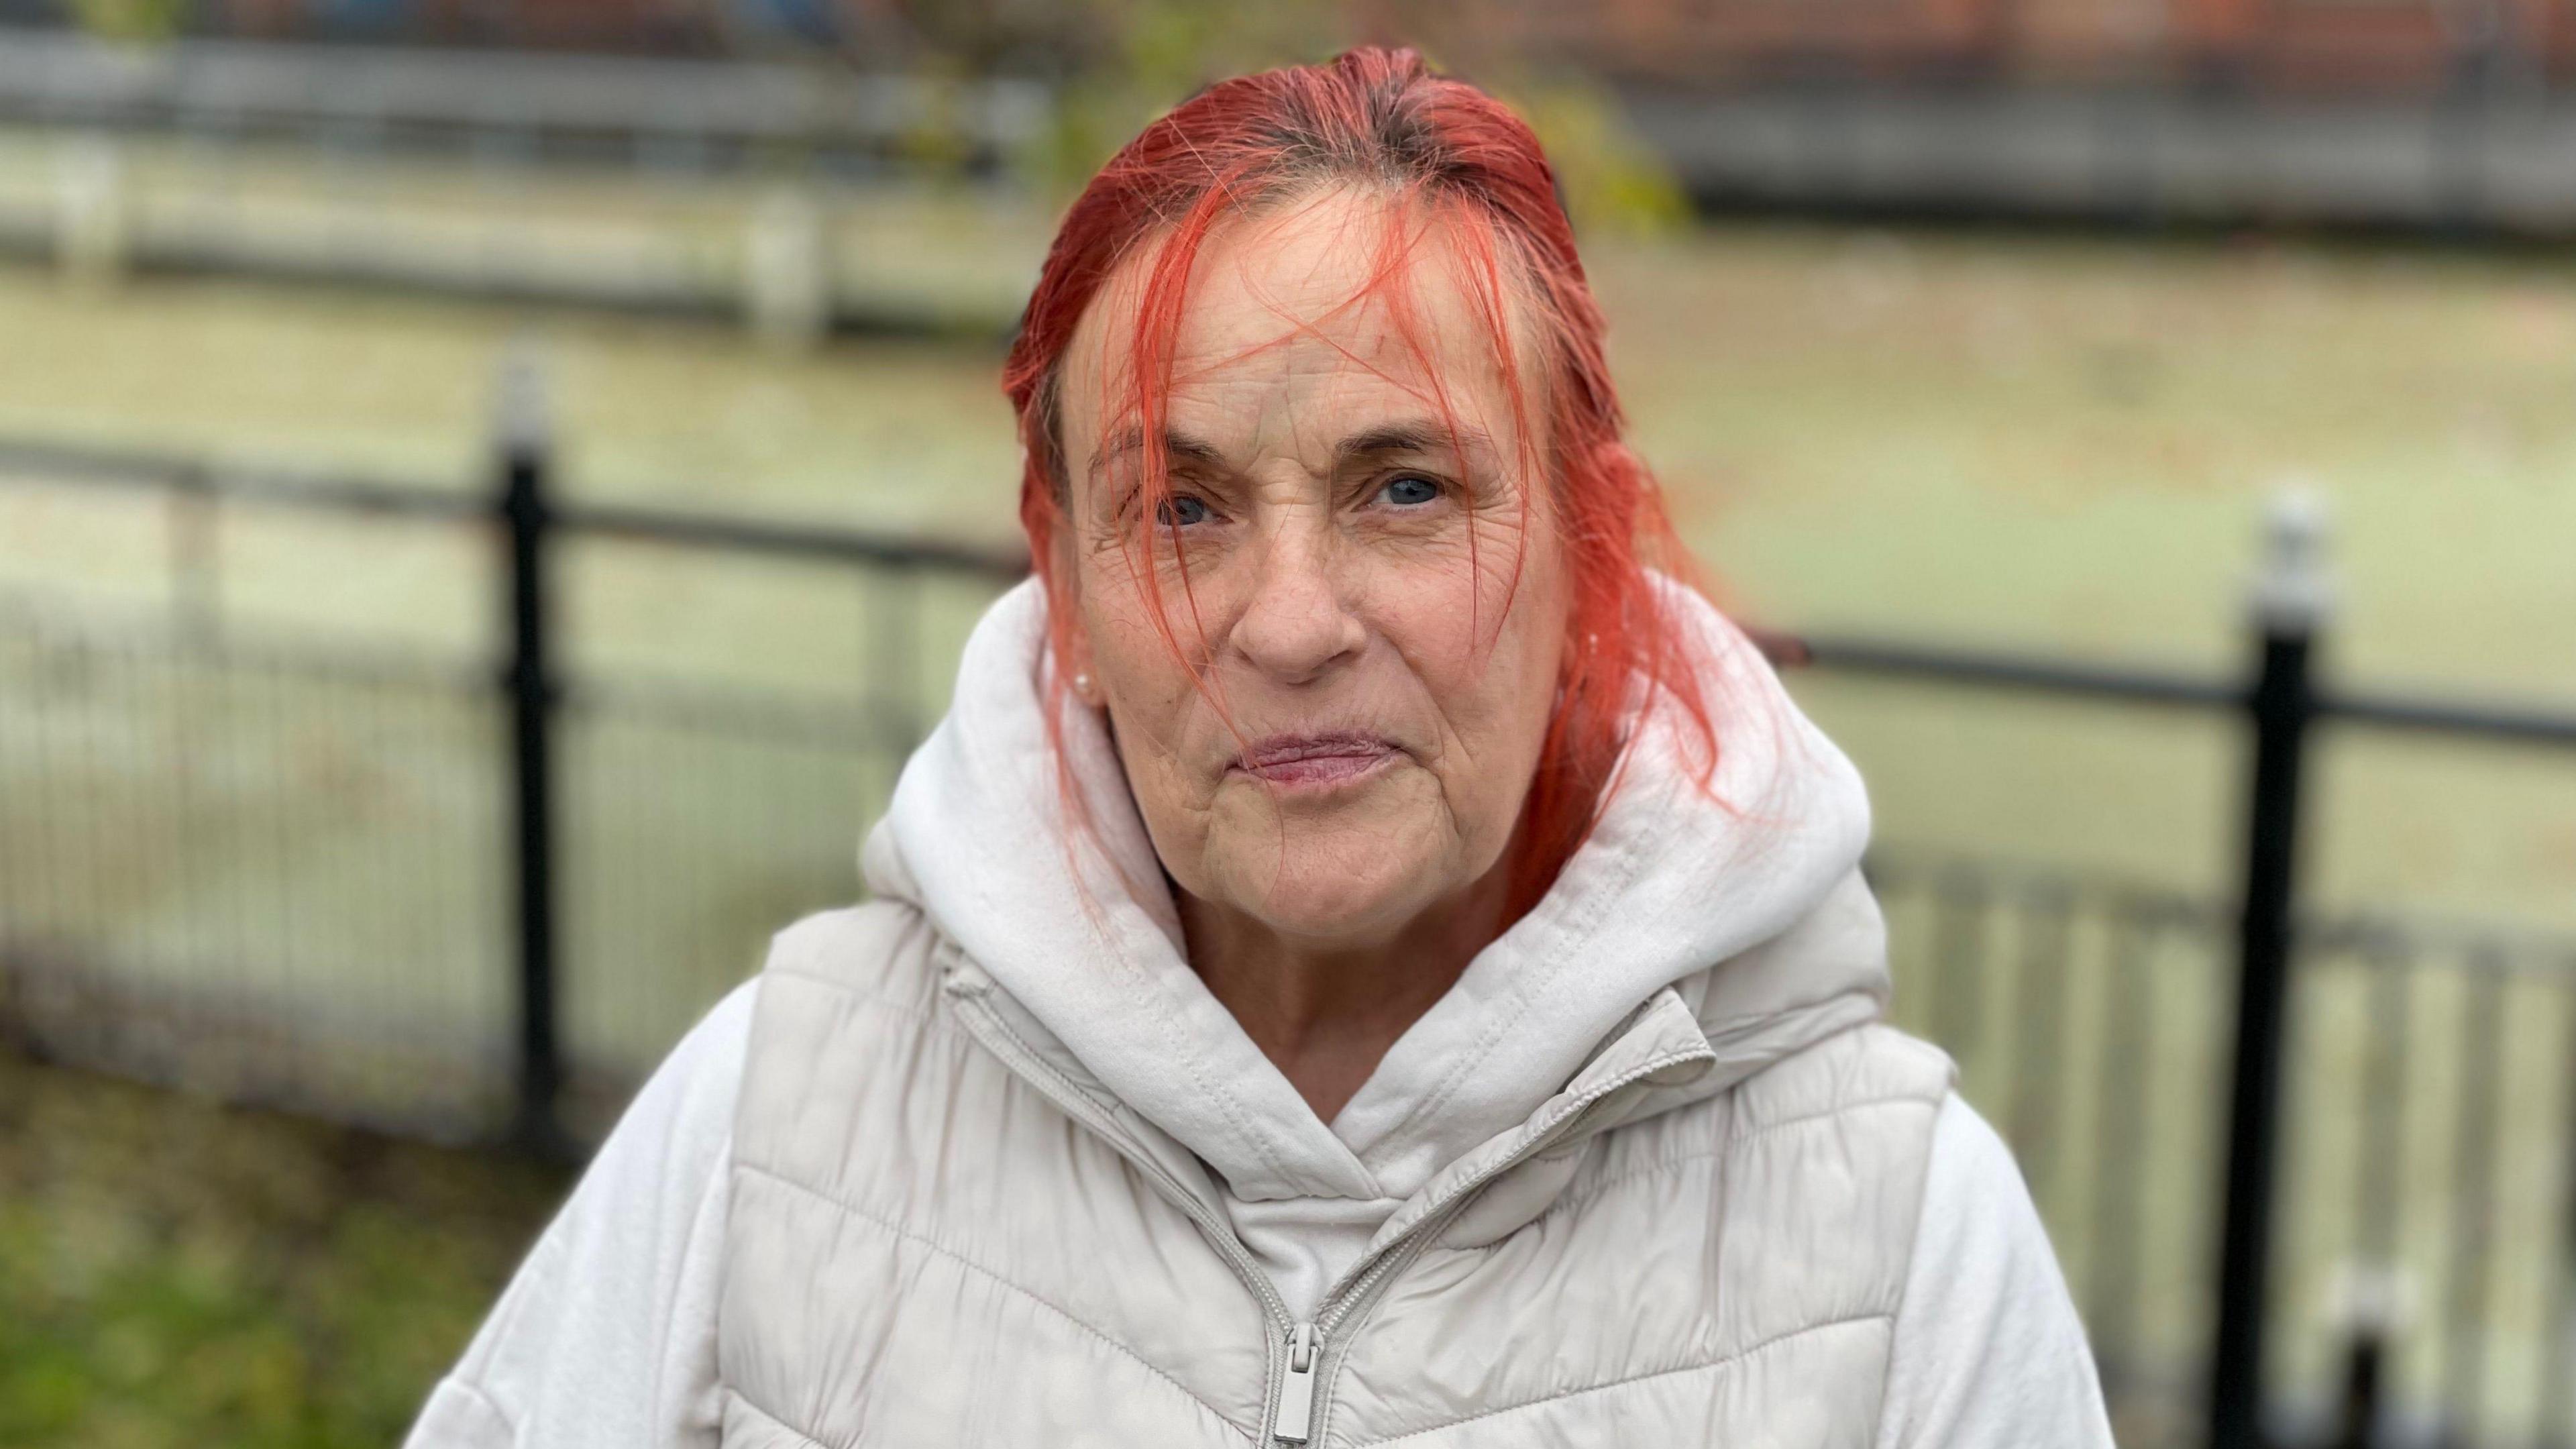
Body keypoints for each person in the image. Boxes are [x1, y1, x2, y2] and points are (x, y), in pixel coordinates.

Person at [406, 46, 2113, 1448]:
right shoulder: (775, 1115)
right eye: (1182, 508)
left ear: (1591, 547)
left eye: (1407, 487)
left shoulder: (1897, 1242)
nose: (1290, 624)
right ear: (1064, 581)